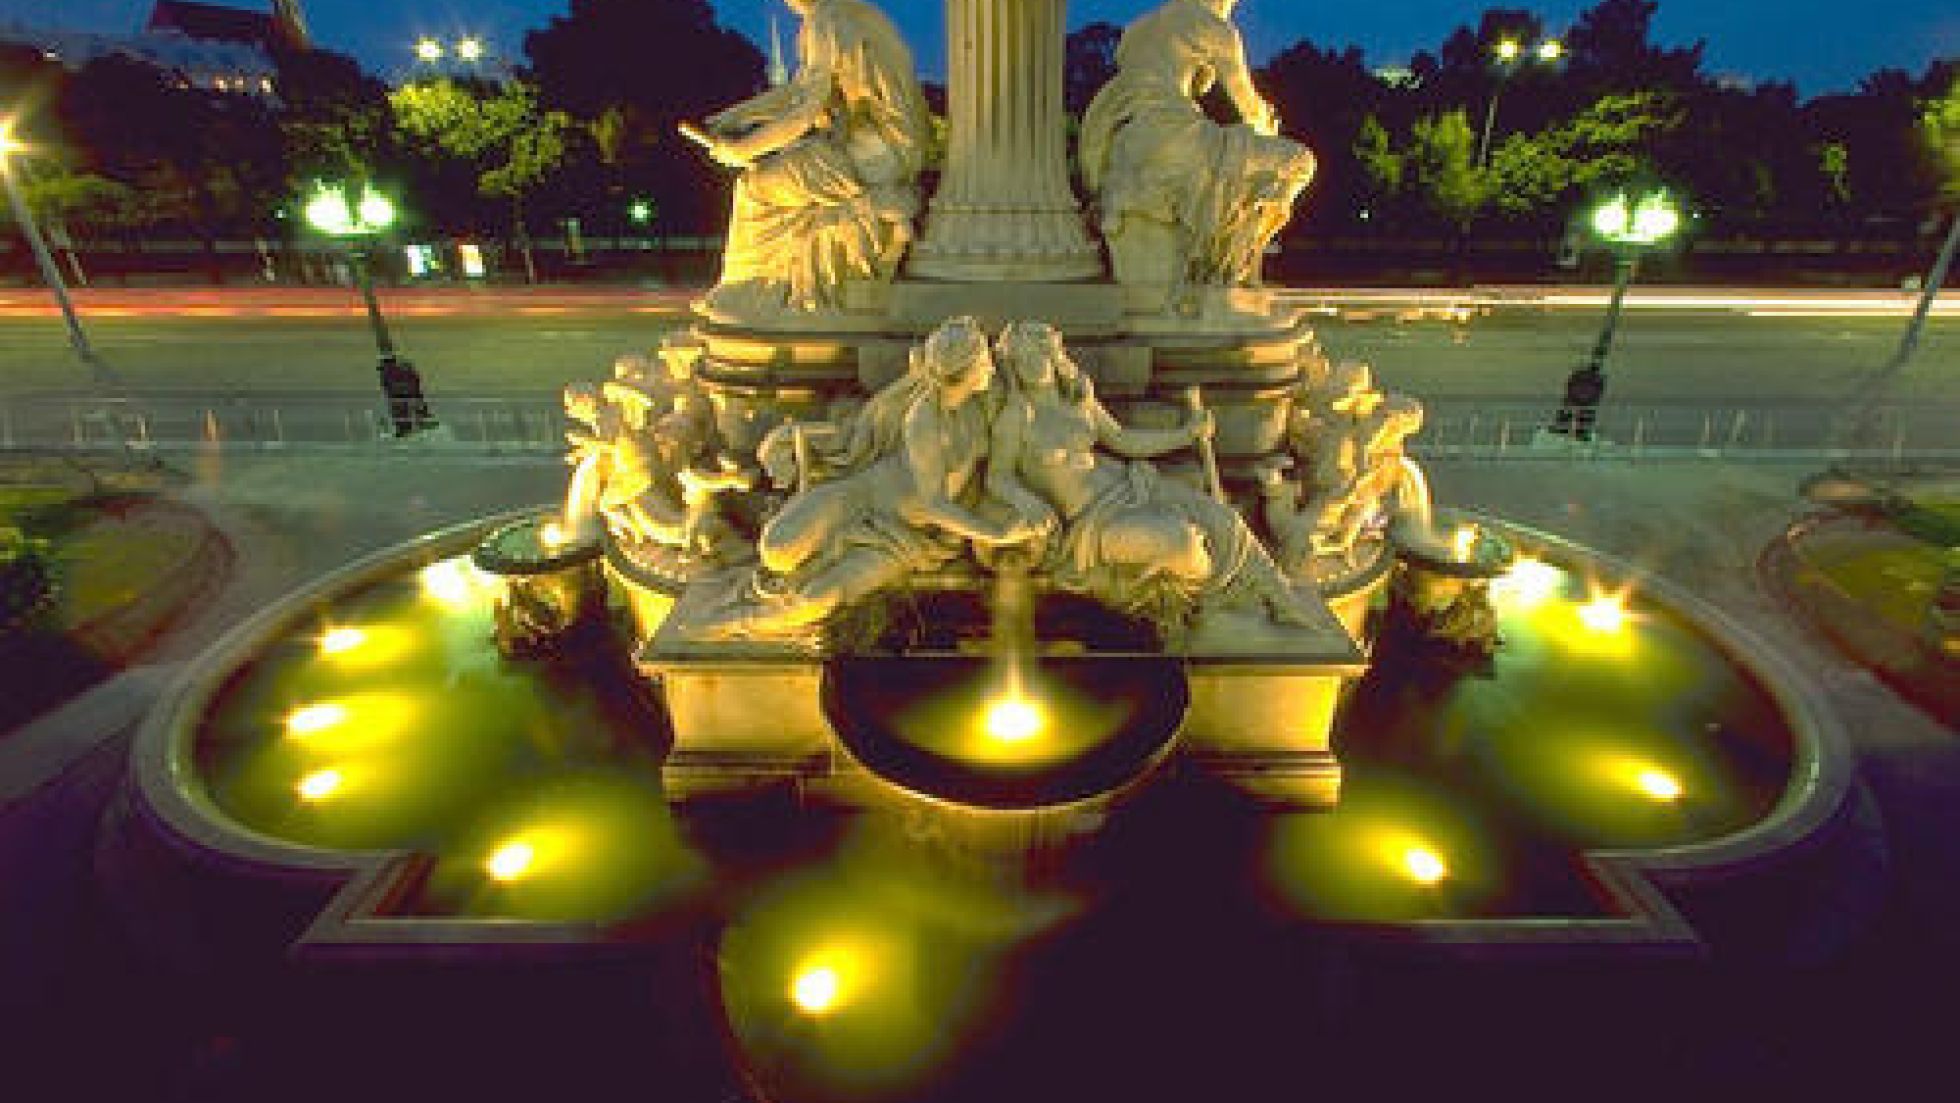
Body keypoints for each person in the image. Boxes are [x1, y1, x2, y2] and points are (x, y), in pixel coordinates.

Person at [695, 317, 1050, 638]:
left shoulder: (978, 403)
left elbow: (1027, 409)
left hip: (903, 539)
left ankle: (742, 618)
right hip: (855, 499)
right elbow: (932, 502)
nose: (991, 367)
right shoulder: (922, 419)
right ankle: (766, 590)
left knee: (822, 596)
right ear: (964, 371)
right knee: (777, 551)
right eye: (984, 362)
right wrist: (996, 533)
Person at [988, 321, 1313, 631]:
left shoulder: (1077, 399)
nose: (1032, 363)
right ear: (1012, 368)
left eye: (1038, 352)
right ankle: (1221, 599)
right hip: (1091, 528)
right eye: (1021, 358)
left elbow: (1122, 439)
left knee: (1224, 518)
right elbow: (997, 477)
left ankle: (1283, 599)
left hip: (1129, 486)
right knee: (1181, 544)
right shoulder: (1016, 417)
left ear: (1054, 355)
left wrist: (1185, 435)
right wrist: (1024, 499)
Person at [683, 0, 932, 315]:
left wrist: (741, 150)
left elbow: (804, 112)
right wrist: (735, 117)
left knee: (755, 187)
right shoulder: (847, 13)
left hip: (873, 154)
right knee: (784, 166)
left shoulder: (825, 21)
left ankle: (747, 291)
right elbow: (799, 92)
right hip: (889, 147)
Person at [1078, 0, 1316, 292]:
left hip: (1129, 140)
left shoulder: (1139, 29)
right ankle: (1230, 262)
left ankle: (1226, 254)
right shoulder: (1215, 28)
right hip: (1177, 140)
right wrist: (1267, 124)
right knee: (1299, 161)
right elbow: (1248, 105)